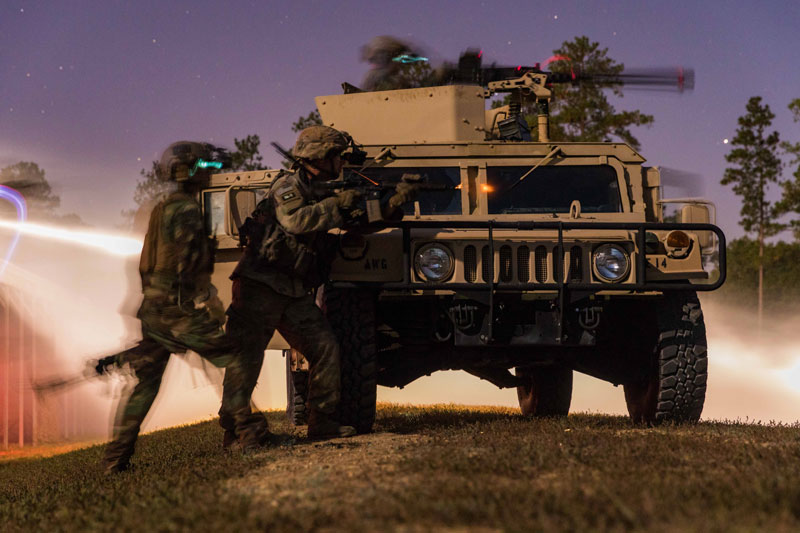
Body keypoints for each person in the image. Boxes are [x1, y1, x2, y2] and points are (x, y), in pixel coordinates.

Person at [220, 125, 418, 440]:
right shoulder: (288, 186)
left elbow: (358, 222)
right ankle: (237, 432)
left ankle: (322, 423)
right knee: (246, 358)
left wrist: (394, 204)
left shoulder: (324, 189)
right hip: (259, 285)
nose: (341, 163)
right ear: (320, 157)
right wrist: (338, 204)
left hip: (293, 290)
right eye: (337, 156)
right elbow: (295, 220)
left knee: (325, 348)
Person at [100, 141, 271, 474]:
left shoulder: (163, 207)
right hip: (176, 310)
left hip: (153, 308)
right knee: (234, 357)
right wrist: (196, 306)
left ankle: (114, 461)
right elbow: (185, 264)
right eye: (205, 168)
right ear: (189, 173)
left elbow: (148, 262)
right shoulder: (188, 211)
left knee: (146, 384)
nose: (210, 174)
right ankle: (251, 434)